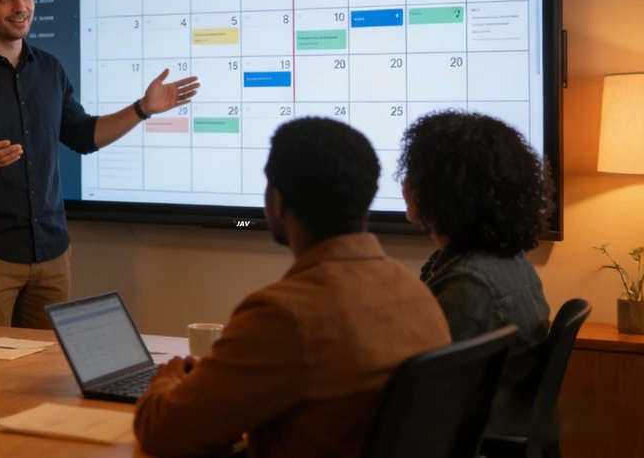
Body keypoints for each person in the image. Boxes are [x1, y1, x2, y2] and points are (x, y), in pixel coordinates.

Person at [0, 0, 200, 328]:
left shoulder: (48, 68)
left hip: (52, 254)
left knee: (45, 375)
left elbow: (83, 135)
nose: (21, 7)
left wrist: (142, 109)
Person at [133, 118, 451, 458]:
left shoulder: (284, 314)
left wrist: (166, 381)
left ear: (278, 201)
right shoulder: (416, 294)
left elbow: (161, 432)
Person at [399, 110, 553, 436]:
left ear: (438, 191)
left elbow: (421, 401)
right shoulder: (506, 259)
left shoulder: (469, 285)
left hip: (463, 437)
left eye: (413, 174)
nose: (404, 183)